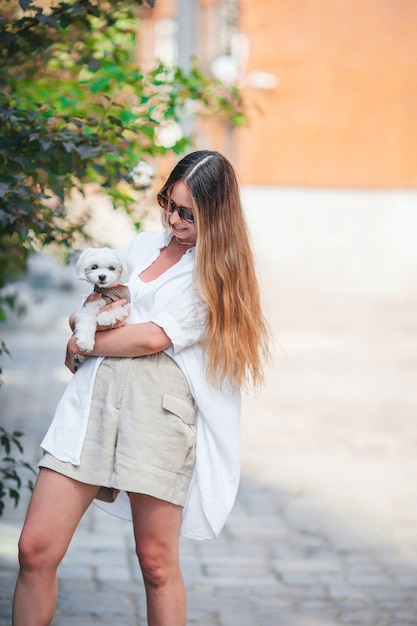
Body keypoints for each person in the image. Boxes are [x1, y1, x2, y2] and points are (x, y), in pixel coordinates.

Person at [12, 150, 270, 626]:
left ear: (216, 213)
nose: (173, 220)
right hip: (91, 401)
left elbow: (152, 337)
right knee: (34, 549)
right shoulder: (140, 245)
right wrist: (80, 325)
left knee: (155, 564)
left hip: (159, 413)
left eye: (187, 212)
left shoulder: (217, 273)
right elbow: (90, 305)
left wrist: (85, 339)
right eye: (167, 204)